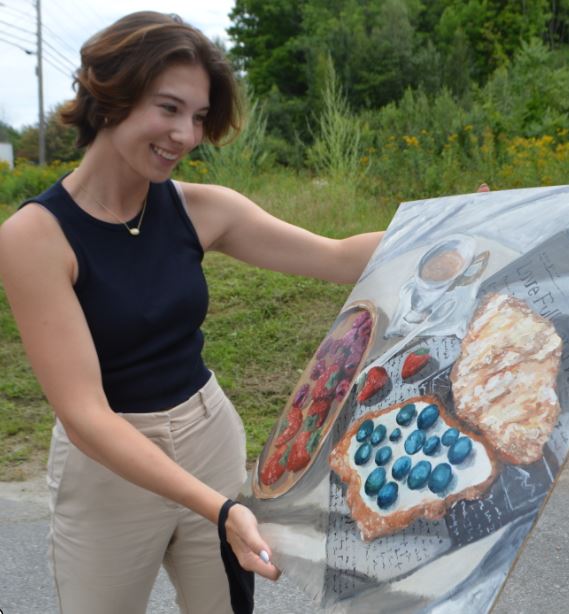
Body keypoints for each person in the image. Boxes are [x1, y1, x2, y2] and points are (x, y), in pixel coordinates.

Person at [0, 11, 382, 614]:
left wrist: (449, 226)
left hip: (208, 435)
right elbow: (85, 417)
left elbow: (336, 257)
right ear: (111, 97)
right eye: (168, 108)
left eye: (199, 116)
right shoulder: (34, 237)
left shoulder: (199, 209)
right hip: (107, 467)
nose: (187, 134)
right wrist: (220, 509)